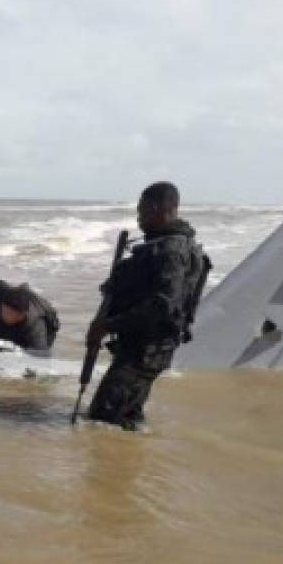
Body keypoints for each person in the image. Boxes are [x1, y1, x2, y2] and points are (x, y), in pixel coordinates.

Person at [85, 181, 208, 430]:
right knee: (125, 417)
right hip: (143, 347)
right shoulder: (163, 245)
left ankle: (114, 466)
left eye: (141, 212)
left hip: (147, 349)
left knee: (103, 419)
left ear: (157, 209)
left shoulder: (170, 250)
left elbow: (164, 304)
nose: (139, 218)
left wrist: (108, 325)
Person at [0, 281, 60, 352]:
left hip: (48, 324)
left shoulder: (35, 324)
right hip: (17, 300)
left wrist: (19, 350)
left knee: (31, 353)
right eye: (5, 311)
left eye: (10, 314)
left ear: (22, 314)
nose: (5, 316)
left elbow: (42, 354)